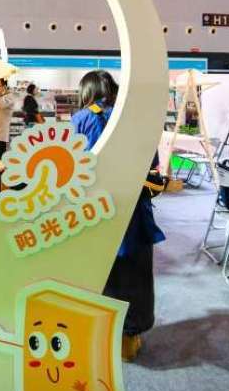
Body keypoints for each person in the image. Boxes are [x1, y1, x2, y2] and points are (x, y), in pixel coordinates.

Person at [70, 69, 164, 363]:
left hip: (93, 209)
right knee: (135, 275)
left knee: (99, 274)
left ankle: (100, 334)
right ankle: (128, 339)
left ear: (86, 92)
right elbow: (153, 162)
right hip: (132, 209)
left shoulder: (80, 119)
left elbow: (73, 165)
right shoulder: (133, 118)